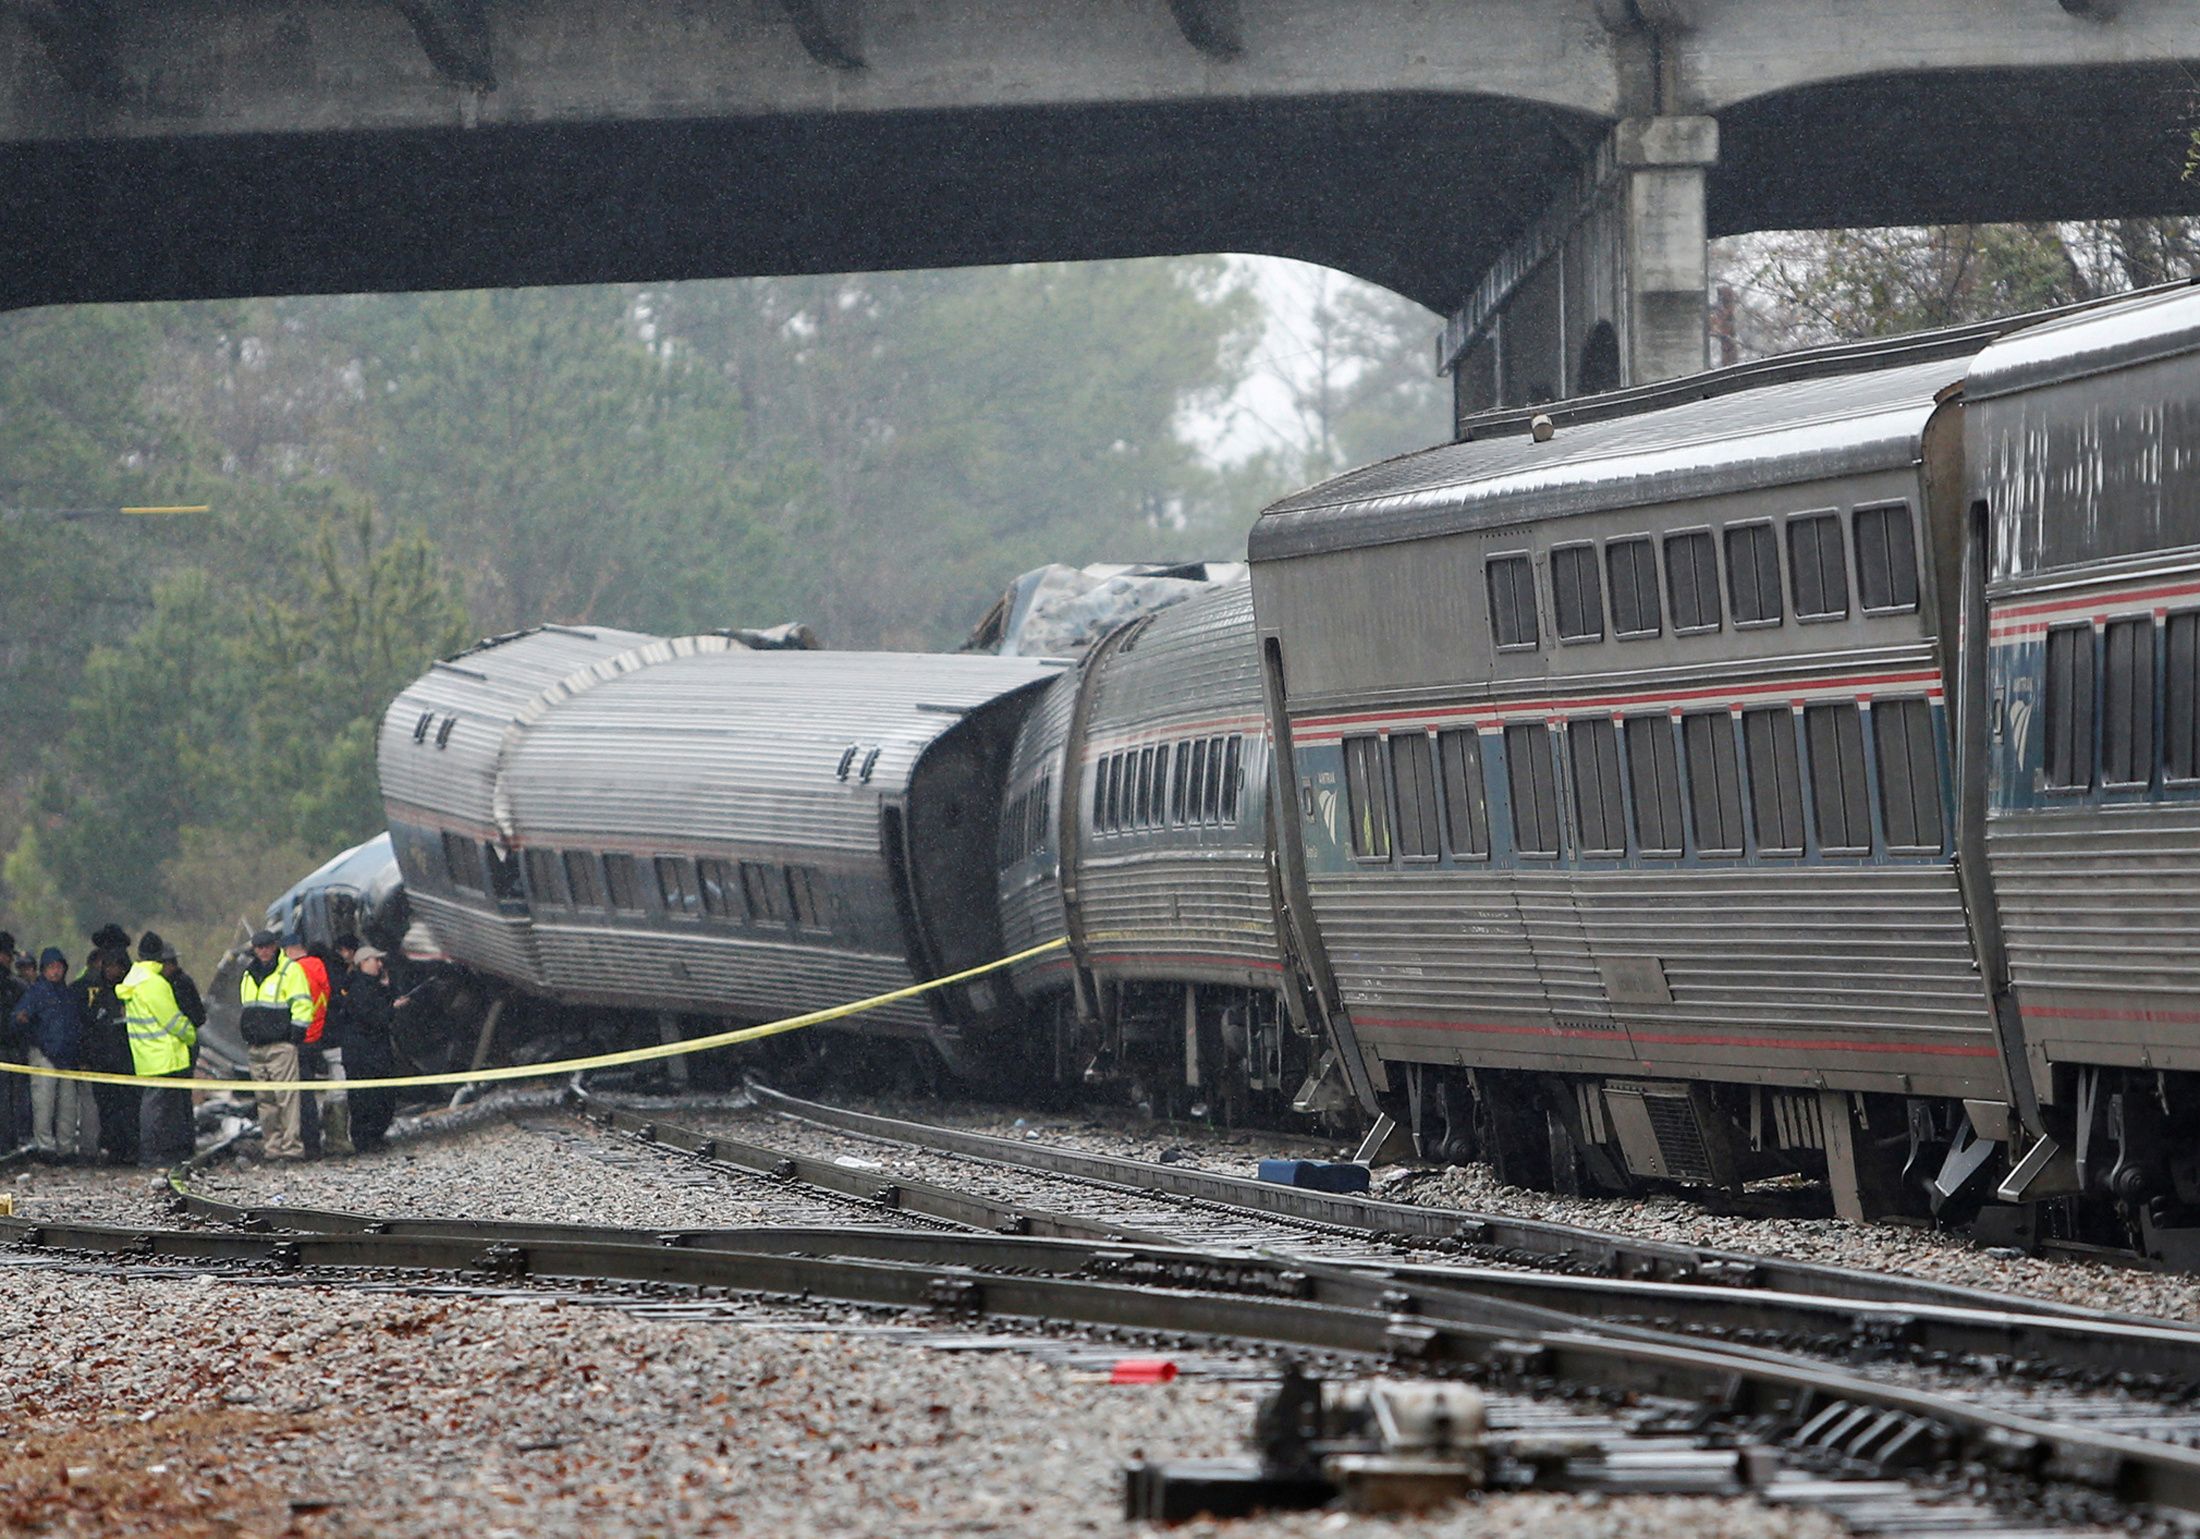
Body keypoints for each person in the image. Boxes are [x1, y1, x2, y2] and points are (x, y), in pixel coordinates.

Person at [118, 931, 196, 1167]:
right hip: (165, 1055)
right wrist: (190, 1034)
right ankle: (155, 1154)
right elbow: (172, 1020)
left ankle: (156, 1152)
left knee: (155, 1108)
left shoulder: (133, 980)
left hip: (146, 1055)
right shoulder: (154, 983)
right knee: (161, 1110)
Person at [238, 930, 312, 1160]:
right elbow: (247, 1008)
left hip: (281, 1044)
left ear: (274, 946)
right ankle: (273, 1147)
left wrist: (294, 1036)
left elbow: (302, 1004)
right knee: (265, 1101)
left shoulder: (290, 970)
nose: (263, 951)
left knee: (286, 1099)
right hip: (257, 1046)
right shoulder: (249, 974)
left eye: (267, 946)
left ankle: (291, 1148)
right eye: (259, 947)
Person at [12, 948, 81, 1160]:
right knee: (44, 1104)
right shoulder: (35, 993)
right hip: (43, 1055)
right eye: (51, 967)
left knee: (68, 1107)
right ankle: (46, 1148)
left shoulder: (68, 994)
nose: (56, 972)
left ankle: (66, 1149)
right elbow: (17, 1019)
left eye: (59, 967)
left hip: (67, 1057)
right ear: (43, 970)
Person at [334, 944, 400, 1152]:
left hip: (375, 1050)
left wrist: (387, 989)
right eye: (375, 960)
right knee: (366, 1098)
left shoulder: (373, 985)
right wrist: (391, 1009)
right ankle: (365, 1138)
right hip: (363, 1053)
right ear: (363, 963)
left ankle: (375, 1135)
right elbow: (370, 1017)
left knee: (382, 1095)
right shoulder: (358, 987)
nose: (380, 965)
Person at [78, 945, 137, 1164]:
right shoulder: (99, 994)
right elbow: (90, 1026)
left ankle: (130, 1147)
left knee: (129, 1107)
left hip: (128, 1062)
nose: (112, 971)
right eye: (108, 966)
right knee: (106, 1108)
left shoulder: (131, 991)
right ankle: (112, 1148)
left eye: (116, 966)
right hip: (103, 1062)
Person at [0, 932, 24, 1153]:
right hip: (6, 1048)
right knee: (6, 1098)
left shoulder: (11, 984)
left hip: (8, 1047)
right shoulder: (9, 986)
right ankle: (6, 1142)